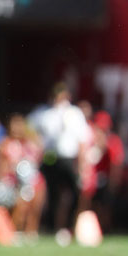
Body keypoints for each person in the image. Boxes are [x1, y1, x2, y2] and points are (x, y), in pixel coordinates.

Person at [29, 83, 92, 238]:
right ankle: (53, 227)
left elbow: (82, 139)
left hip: (68, 157)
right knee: (52, 192)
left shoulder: (74, 113)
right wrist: (38, 145)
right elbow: (28, 128)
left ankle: (69, 226)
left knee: (74, 191)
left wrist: (81, 163)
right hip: (50, 156)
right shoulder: (44, 113)